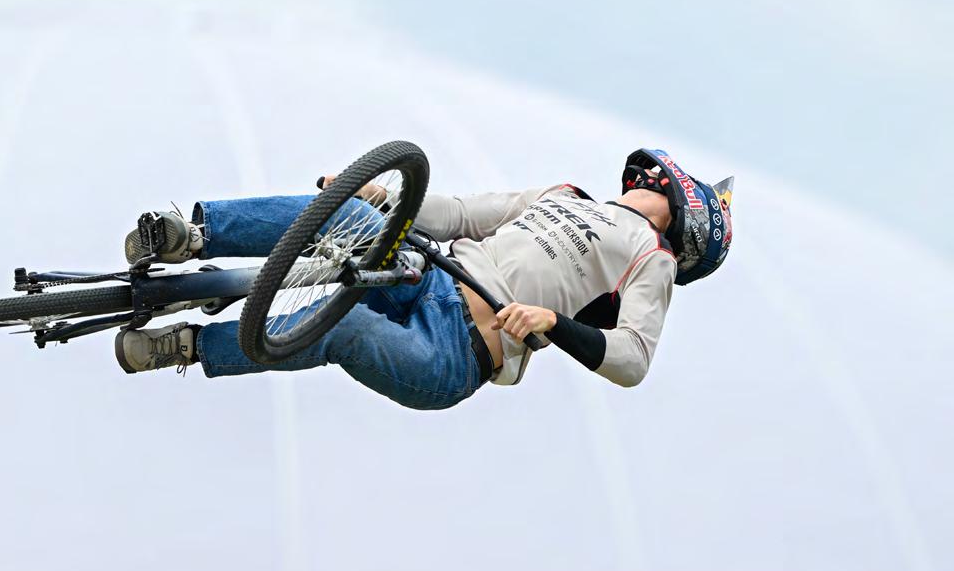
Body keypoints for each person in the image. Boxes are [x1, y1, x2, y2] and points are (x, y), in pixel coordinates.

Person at [114, 149, 734, 409]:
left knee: (349, 328)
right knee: (353, 216)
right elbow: (459, 215)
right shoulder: (565, 194)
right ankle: (193, 233)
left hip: (456, 354)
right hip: (428, 277)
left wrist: (552, 321)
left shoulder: (652, 256)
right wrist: (380, 194)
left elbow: (632, 360)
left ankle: (190, 347)